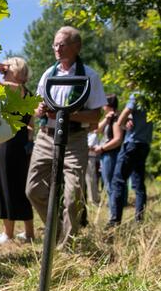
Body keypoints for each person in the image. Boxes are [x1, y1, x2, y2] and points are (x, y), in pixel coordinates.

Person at [26, 26, 107, 244]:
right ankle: (57, 230)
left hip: (74, 139)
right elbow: (35, 106)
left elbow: (95, 117)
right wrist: (40, 110)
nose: (57, 49)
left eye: (62, 44)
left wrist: (66, 113)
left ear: (77, 47)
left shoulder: (89, 75)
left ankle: (67, 245)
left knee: (72, 197)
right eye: (55, 44)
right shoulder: (48, 74)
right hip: (45, 136)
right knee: (33, 189)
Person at [0, 57, 35, 245]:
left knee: (7, 187)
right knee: (20, 188)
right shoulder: (26, 92)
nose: (3, 69)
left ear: (17, 70)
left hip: (10, 144)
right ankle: (28, 232)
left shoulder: (14, 88)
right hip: (20, 144)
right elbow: (31, 124)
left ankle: (8, 233)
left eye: (8, 66)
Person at [108, 90, 152, 224]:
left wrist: (123, 124)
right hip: (144, 144)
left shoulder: (137, 95)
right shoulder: (152, 97)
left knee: (118, 181)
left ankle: (115, 220)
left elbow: (121, 119)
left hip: (131, 144)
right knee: (139, 184)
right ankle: (139, 220)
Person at [93, 94, 126, 214]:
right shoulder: (110, 118)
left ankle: (113, 215)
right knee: (109, 185)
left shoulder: (117, 119)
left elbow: (117, 139)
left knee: (111, 185)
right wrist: (106, 119)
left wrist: (102, 148)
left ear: (108, 105)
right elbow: (96, 130)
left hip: (111, 155)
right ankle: (113, 213)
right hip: (107, 154)